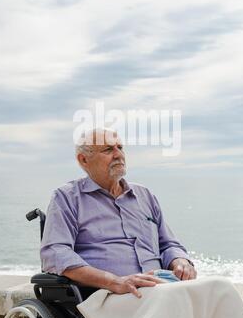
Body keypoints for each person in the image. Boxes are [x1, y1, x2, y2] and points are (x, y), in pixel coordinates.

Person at [41, 127, 197, 298]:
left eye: (120, 148)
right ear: (84, 159)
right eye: (108, 149)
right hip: (108, 294)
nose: (118, 155)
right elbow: (55, 253)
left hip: (160, 286)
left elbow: (168, 245)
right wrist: (115, 281)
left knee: (219, 288)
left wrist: (180, 262)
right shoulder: (67, 197)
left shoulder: (144, 195)